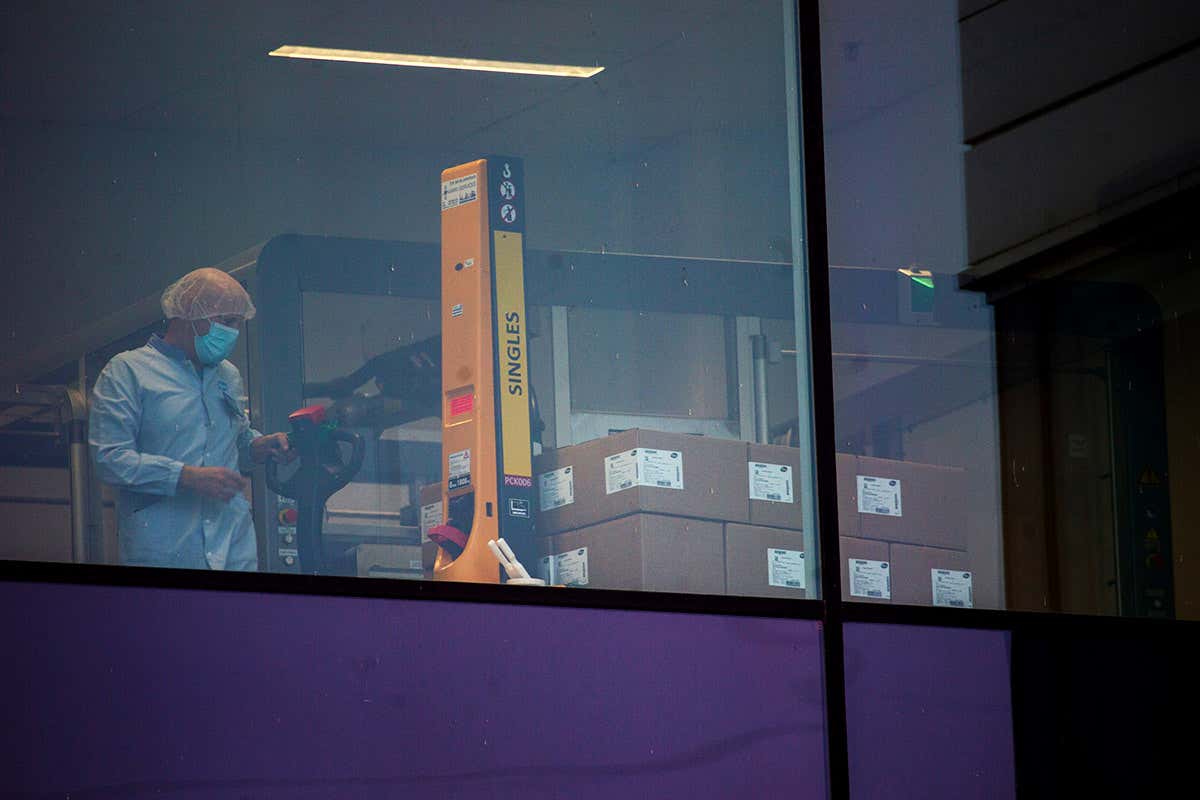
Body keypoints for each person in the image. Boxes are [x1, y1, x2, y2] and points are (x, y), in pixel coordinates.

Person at [90, 267, 295, 570]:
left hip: (233, 549)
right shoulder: (128, 371)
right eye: (227, 322)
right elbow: (109, 458)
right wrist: (185, 476)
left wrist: (258, 446)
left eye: (238, 323)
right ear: (190, 314)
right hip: (165, 551)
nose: (234, 333)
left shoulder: (228, 375)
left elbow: (234, 442)